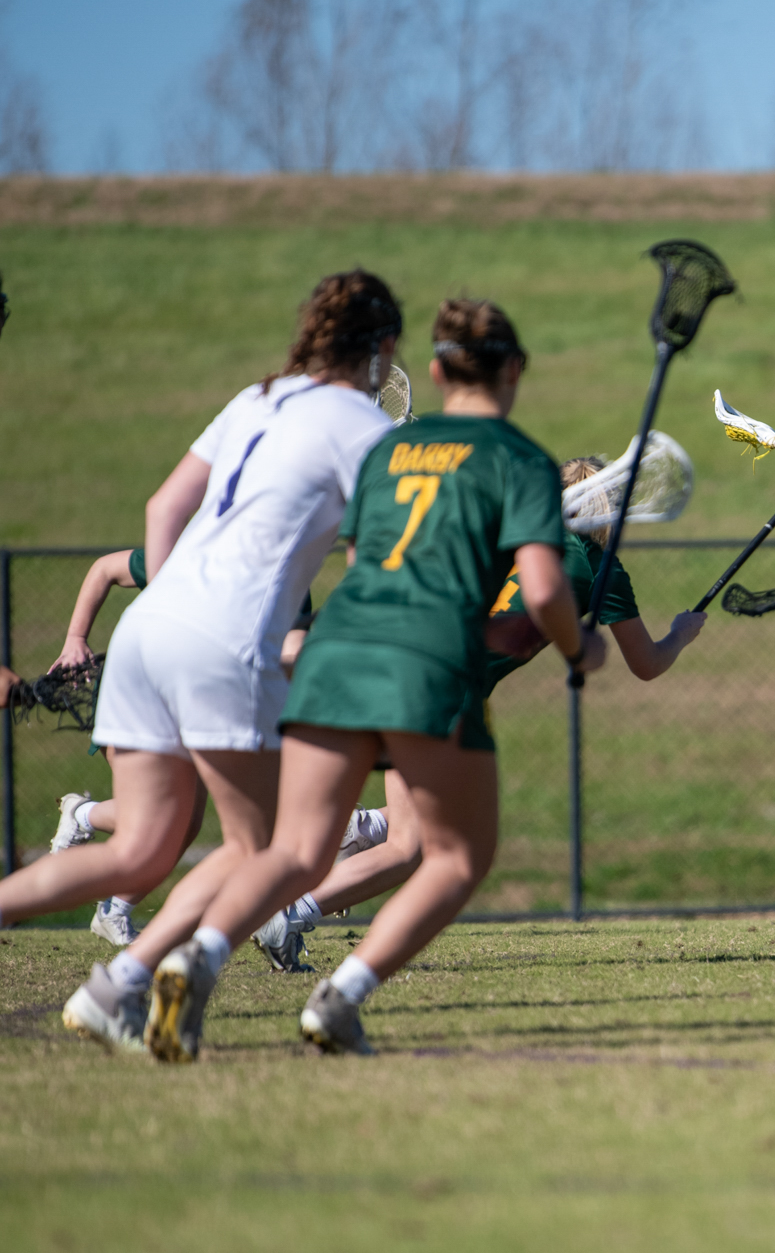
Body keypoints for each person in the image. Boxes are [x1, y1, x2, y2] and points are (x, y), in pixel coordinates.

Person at [149, 297, 607, 1061]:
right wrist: (576, 650)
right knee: (453, 856)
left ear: (433, 370)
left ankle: (196, 956)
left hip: (336, 648)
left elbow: (365, 564)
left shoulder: (386, 449)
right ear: (516, 370)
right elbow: (544, 591)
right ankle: (339, 998)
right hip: (423, 663)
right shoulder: (519, 458)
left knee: (295, 849)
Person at [35, 268, 402, 1055]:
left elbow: (163, 508)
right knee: (272, 853)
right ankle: (144, 975)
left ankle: (118, 985)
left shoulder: (254, 397)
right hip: (223, 643)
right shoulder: (363, 429)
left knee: (141, 847)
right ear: (377, 349)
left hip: (146, 628)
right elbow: (390, 552)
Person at [247, 453, 706, 969]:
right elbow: (646, 663)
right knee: (411, 846)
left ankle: (360, 830)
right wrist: (681, 635)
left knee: (406, 826)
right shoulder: (600, 570)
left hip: (388, 657)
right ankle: (292, 915)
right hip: (438, 687)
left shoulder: (505, 536)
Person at [47, 546, 322, 946]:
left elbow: (291, 648)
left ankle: (113, 906)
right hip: (143, 689)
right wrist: (75, 639)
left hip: (202, 698)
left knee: (182, 825)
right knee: (167, 819)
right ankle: (84, 818)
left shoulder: (291, 573)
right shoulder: (202, 551)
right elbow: (105, 568)